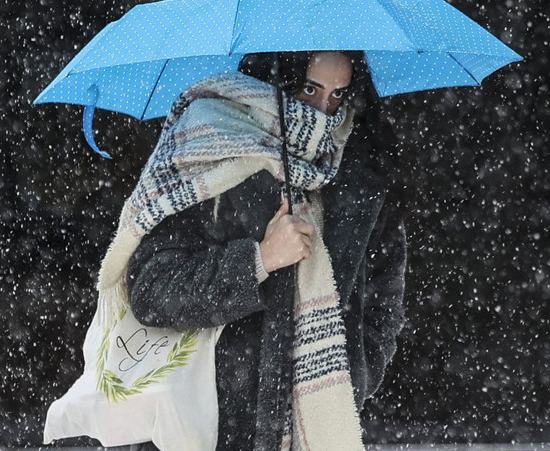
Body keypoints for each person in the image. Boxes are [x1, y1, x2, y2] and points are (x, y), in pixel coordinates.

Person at [105, 50, 408, 450]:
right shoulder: (208, 143)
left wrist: (356, 374)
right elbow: (152, 289)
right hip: (205, 427)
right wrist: (259, 260)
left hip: (316, 429)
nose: (323, 109)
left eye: (338, 94)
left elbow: (384, 299)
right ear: (274, 78)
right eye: (309, 89)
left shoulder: (360, 170)